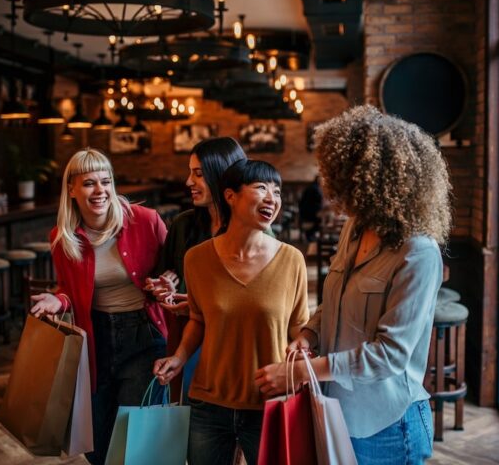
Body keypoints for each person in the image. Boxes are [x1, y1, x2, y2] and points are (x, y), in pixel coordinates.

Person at [255, 105, 452, 465]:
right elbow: (337, 300)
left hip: (388, 423)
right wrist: (310, 334)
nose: (334, 189)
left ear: (376, 182)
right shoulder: (355, 227)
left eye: (344, 178)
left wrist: (301, 371)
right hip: (337, 408)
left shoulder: (418, 252)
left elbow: (389, 355)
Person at [153, 159, 309, 465]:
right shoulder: (197, 259)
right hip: (209, 402)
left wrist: (302, 356)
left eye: (277, 191)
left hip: (270, 403)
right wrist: (179, 358)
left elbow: (298, 327)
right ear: (230, 196)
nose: (272, 198)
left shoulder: (292, 260)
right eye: (261, 188)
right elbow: (198, 319)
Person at [30, 148, 169, 465]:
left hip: (143, 337)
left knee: (133, 438)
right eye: (89, 183)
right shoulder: (63, 237)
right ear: (72, 189)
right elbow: (69, 287)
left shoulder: (146, 222)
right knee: (97, 444)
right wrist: (58, 298)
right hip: (95, 341)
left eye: (106, 181)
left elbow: (176, 268)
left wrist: (166, 284)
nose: (100, 190)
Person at [145, 137, 247, 402]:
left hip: (234, 349)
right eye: (190, 173)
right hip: (186, 348)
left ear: (223, 176)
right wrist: (162, 286)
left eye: (198, 174)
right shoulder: (182, 226)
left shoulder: (251, 232)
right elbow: (158, 279)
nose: (188, 182)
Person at [298, 175, 323, 241]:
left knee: (311, 228)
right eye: (321, 180)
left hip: (305, 212)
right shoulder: (315, 189)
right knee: (316, 224)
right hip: (310, 212)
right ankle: (312, 239)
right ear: (318, 180)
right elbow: (318, 201)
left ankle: (310, 238)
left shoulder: (310, 187)